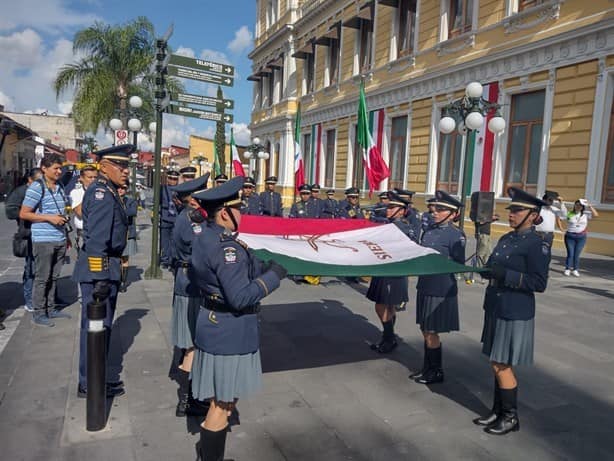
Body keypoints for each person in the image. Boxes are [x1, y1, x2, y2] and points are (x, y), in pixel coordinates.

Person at [188, 176, 287, 460]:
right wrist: (275, 275)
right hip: (229, 332)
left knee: (221, 401)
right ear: (224, 212)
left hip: (213, 323)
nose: (242, 213)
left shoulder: (206, 237)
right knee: (222, 404)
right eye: (238, 208)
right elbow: (240, 297)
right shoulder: (226, 248)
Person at [474, 187, 550, 435]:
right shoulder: (507, 238)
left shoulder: (536, 244)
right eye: (511, 209)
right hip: (496, 305)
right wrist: (488, 271)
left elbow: (539, 283)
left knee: (501, 363)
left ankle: (510, 417)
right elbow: (496, 265)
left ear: (533, 215)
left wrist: (506, 275)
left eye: (518, 210)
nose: (511, 214)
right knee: (496, 361)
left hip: (514, 309)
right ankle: (498, 410)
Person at [73, 144, 136, 398]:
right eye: (120, 166)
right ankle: (89, 382)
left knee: (103, 328)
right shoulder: (101, 194)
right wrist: (100, 277)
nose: (126, 171)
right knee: (95, 329)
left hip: (107, 268)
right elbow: (97, 241)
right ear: (103, 166)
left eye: (127, 166)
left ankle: (97, 378)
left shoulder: (109, 191)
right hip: (98, 271)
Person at [411, 190, 465, 385]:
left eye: (440, 210)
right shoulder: (430, 231)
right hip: (425, 284)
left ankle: (436, 371)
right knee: (425, 328)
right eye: (435, 209)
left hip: (441, 287)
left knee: (432, 330)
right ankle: (427, 368)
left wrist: (440, 262)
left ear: (452, 214)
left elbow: (458, 263)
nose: (434, 212)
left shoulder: (455, 235)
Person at [168, 173, 209, 417]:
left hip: (187, 281)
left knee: (190, 342)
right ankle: (188, 400)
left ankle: (189, 395)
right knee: (193, 343)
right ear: (191, 198)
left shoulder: (189, 217)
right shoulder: (190, 221)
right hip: (191, 283)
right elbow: (199, 247)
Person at [19, 154, 71, 327]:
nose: (59, 171)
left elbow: (61, 214)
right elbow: (24, 213)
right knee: (42, 278)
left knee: (54, 277)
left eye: (60, 168)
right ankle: (39, 313)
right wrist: (49, 218)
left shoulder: (60, 186)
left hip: (60, 238)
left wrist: (67, 236)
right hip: (43, 239)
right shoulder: (36, 187)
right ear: (44, 168)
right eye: (55, 168)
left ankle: (51, 308)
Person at [367, 191, 420, 353]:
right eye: (388, 207)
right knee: (388, 306)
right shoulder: (393, 225)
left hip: (391, 270)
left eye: (392, 208)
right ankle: (388, 338)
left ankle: (389, 338)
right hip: (387, 269)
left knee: (381, 306)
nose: (388, 210)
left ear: (402, 210)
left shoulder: (398, 227)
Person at [5, 168, 42, 312]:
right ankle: (29, 300)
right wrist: (27, 212)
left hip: (44, 235)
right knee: (31, 269)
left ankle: (47, 297)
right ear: (30, 180)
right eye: (38, 180)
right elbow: (10, 211)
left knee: (45, 268)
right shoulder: (21, 192)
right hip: (29, 234)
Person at [558, 198, 599, 277]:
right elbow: (559, 218)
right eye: (577, 205)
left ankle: (575, 269)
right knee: (571, 254)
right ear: (574, 205)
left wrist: (590, 206)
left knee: (577, 254)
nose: (578, 207)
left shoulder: (585, 214)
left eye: (580, 205)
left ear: (583, 207)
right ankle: (567, 269)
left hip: (581, 237)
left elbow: (596, 215)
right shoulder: (569, 213)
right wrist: (561, 228)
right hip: (570, 236)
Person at [70, 165, 98, 252]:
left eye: (95, 177)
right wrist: (90, 193)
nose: (93, 180)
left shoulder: (102, 192)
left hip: (99, 231)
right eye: (90, 177)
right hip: (84, 232)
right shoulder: (76, 192)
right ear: (81, 178)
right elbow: (80, 213)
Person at [118, 183, 138, 293]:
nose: (120, 190)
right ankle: (116, 280)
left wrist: (118, 211)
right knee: (116, 259)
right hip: (115, 233)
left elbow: (132, 212)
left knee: (125, 258)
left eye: (123, 188)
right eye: (119, 188)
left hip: (127, 234)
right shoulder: (111, 199)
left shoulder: (131, 201)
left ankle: (123, 282)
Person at [160, 170, 181, 268]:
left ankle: (172, 259)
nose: (173, 181)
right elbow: (157, 203)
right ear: (167, 179)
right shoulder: (162, 189)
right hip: (165, 217)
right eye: (171, 178)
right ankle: (165, 260)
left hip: (175, 218)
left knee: (174, 241)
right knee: (164, 241)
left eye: (175, 179)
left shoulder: (180, 190)